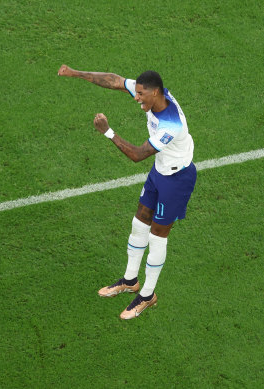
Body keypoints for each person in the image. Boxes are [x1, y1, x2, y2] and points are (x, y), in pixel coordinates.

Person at [58, 64, 196, 320]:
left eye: (141, 95)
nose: (136, 97)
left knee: (157, 236)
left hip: (177, 178)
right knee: (139, 221)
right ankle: (130, 280)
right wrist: (77, 73)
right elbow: (116, 80)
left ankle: (147, 296)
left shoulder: (171, 124)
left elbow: (136, 155)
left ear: (155, 93)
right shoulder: (154, 93)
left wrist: (107, 132)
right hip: (160, 170)